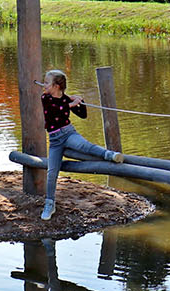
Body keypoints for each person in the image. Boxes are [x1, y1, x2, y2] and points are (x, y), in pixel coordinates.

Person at [38, 68, 122, 220]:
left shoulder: (65, 99)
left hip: (68, 133)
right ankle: (50, 203)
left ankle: (109, 155)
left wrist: (80, 102)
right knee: (51, 173)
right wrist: (71, 104)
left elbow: (83, 115)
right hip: (55, 140)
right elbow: (54, 111)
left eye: (46, 82)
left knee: (85, 146)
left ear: (56, 86)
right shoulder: (46, 98)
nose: (44, 85)